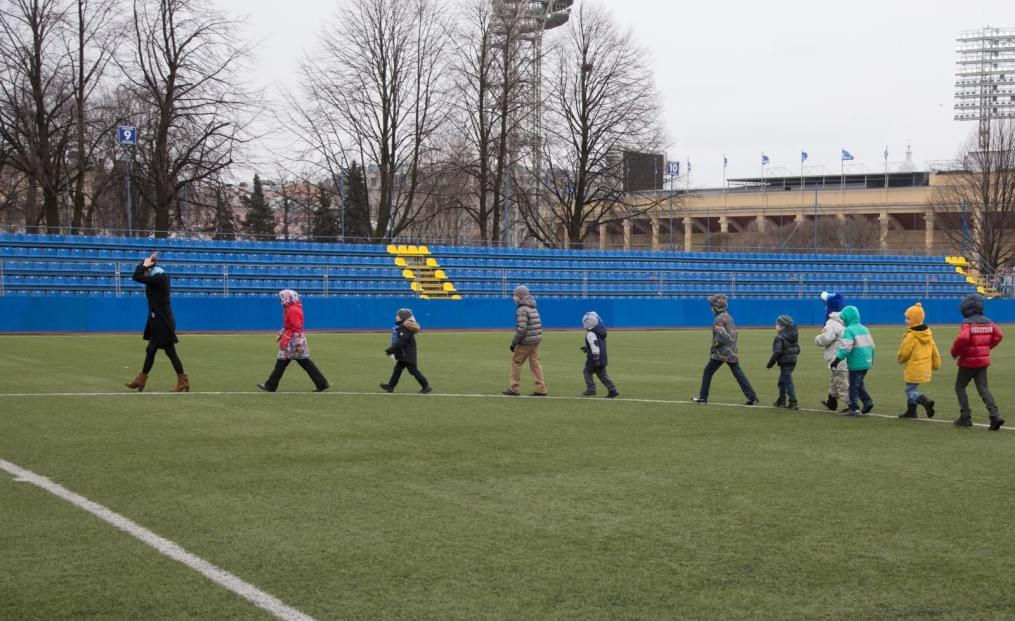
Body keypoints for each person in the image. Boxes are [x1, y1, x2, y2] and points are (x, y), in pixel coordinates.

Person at [125, 252, 188, 392]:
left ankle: (182, 381)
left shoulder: (159, 278)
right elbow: (139, 274)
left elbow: (136, 276)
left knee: (170, 352)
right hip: (157, 320)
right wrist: (146, 262)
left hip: (162, 322)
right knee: (151, 350)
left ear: (149, 269)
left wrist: (144, 265)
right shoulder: (156, 276)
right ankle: (141, 380)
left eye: (145, 269)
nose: (144, 273)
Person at [257, 289, 330, 392]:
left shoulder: (292, 310)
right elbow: (289, 326)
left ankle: (271, 385)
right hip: (291, 339)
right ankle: (321, 383)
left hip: (292, 341)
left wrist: (298, 344)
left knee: (282, 363)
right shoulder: (292, 308)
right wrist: (282, 333)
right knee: (304, 362)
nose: (281, 300)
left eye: (282, 297)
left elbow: (297, 328)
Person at [950, 293, 1004, 430]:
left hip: (968, 362)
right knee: (983, 388)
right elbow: (999, 335)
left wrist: (955, 352)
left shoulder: (967, 323)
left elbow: (963, 338)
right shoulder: (988, 322)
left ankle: (965, 416)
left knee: (960, 387)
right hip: (982, 361)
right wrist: (987, 347)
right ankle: (995, 415)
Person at [692, 294, 758, 405]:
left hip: (721, 352)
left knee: (708, 371)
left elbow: (722, 337)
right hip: (731, 351)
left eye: (712, 306)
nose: (711, 308)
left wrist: (714, 345)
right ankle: (752, 396)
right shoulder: (729, 317)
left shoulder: (718, 319)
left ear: (715, 307)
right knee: (738, 373)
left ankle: (703, 397)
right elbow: (733, 334)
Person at [896, 302, 941, 419]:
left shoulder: (911, 335)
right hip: (925, 367)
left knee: (910, 390)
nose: (906, 320)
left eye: (908, 318)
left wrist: (900, 359)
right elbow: (934, 350)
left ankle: (924, 401)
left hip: (914, 367)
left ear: (914, 320)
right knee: (912, 387)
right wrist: (936, 363)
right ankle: (911, 412)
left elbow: (905, 351)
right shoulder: (927, 333)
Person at [503, 285, 547, 397]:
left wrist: (514, 343)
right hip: (535, 339)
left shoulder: (522, 309)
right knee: (535, 364)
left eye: (515, 295)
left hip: (527, 341)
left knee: (516, 362)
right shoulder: (532, 306)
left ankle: (514, 388)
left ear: (520, 296)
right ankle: (541, 388)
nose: (513, 298)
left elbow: (521, 329)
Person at [832, 305, 875, 416]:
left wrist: (837, 359)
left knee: (853, 386)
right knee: (859, 384)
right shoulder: (864, 329)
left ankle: (854, 408)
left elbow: (846, 348)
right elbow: (872, 346)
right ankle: (867, 401)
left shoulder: (849, 330)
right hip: (866, 361)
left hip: (856, 362)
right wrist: (871, 359)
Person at [380, 308, 432, 394]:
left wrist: (390, 350)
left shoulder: (404, 328)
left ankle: (426, 386)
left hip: (407, 355)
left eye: (398, 316)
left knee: (413, 370)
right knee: (397, 370)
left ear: (402, 318)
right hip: (405, 355)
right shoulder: (403, 327)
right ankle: (390, 386)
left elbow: (401, 342)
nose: (396, 317)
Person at [816, 292, 849, 411]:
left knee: (841, 382)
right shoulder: (845, 321)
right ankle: (831, 400)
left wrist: (818, 339)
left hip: (836, 357)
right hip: (844, 356)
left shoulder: (832, 323)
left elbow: (826, 338)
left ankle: (850, 404)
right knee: (834, 379)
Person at [580, 311, 618, 398]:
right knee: (602, 374)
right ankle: (612, 390)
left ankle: (591, 389)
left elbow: (594, 345)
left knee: (587, 372)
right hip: (602, 357)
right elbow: (598, 344)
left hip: (595, 357)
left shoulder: (590, 333)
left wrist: (595, 356)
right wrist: (587, 349)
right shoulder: (600, 331)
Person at [767, 314, 800, 410]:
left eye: (777, 325)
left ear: (782, 326)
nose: (775, 326)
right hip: (793, 361)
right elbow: (798, 349)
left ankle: (793, 401)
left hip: (785, 362)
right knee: (782, 381)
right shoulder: (793, 335)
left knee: (788, 381)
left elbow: (778, 351)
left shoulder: (780, 337)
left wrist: (771, 362)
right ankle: (781, 399)